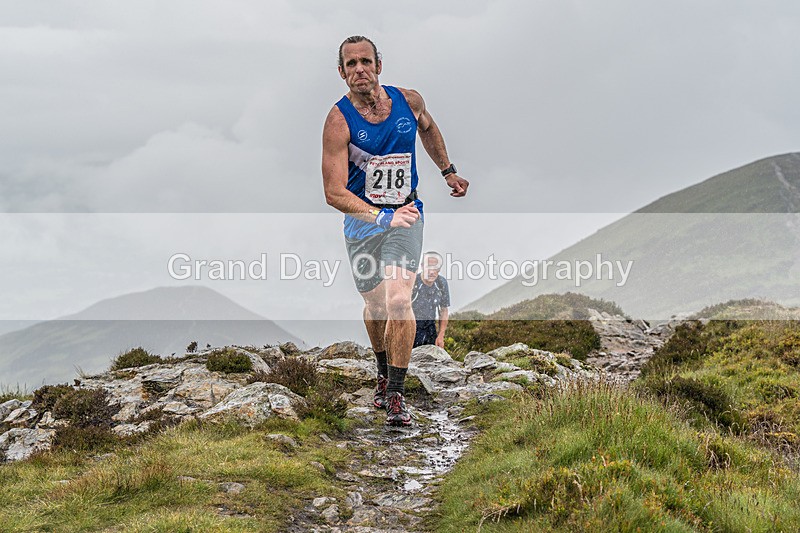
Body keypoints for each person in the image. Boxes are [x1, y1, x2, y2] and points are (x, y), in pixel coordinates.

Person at [322, 35, 469, 426]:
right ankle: (382, 371)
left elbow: (428, 128)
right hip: (362, 224)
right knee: (375, 306)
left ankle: (396, 395)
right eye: (351, 64)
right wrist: (379, 217)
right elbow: (333, 192)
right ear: (341, 72)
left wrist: (448, 170)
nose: (359, 69)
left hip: (406, 214)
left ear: (379, 66)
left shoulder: (409, 101)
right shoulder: (338, 121)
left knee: (400, 300)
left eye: (365, 61)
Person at [412, 251, 450, 349]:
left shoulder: (441, 283)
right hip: (411, 328)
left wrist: (441, 335)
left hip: (430, 330)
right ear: (422, 266)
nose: (432, 272)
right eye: (428, 267)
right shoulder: (413, 282)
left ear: (439, 269)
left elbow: (444, 310)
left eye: (435, 268)